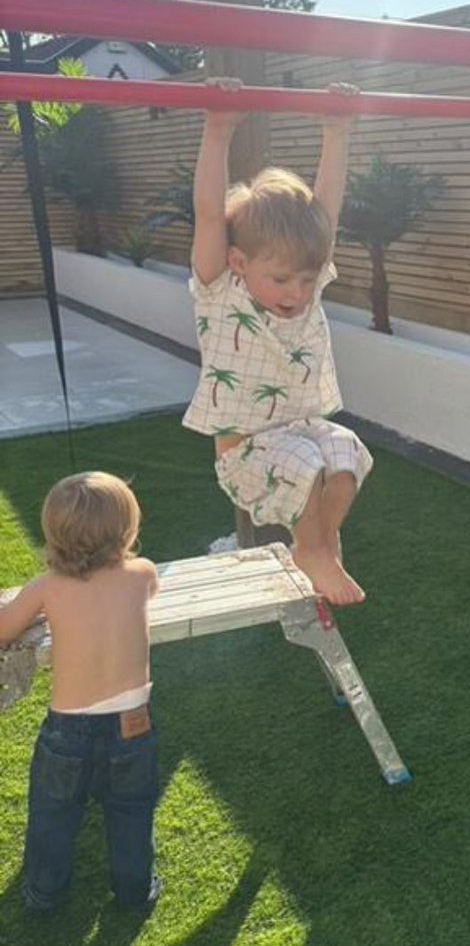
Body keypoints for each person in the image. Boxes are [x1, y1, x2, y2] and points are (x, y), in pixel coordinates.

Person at [183, 81, 372, 605]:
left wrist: (337, 131)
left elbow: (326, 213)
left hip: (299, 434)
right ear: (240, 262)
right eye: (283, 279)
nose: (298, 293)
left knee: (347, 457)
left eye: (307, 279)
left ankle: (321, 541)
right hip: (245, 454)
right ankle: (309, 548)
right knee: (311, 464)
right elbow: (206, 213)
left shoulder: (305, 290)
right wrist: (218, 128)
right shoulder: (222, 290)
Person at [0, 471, 161, 912]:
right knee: (131, 811)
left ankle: (44, 895)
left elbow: (4, 630)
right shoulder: (142, 573)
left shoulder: (48, 586)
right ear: (127, 528)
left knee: (54, 816)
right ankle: (135, 891)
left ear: (53, 533)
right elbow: (146, 593)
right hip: (134, 724)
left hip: (69, 731)